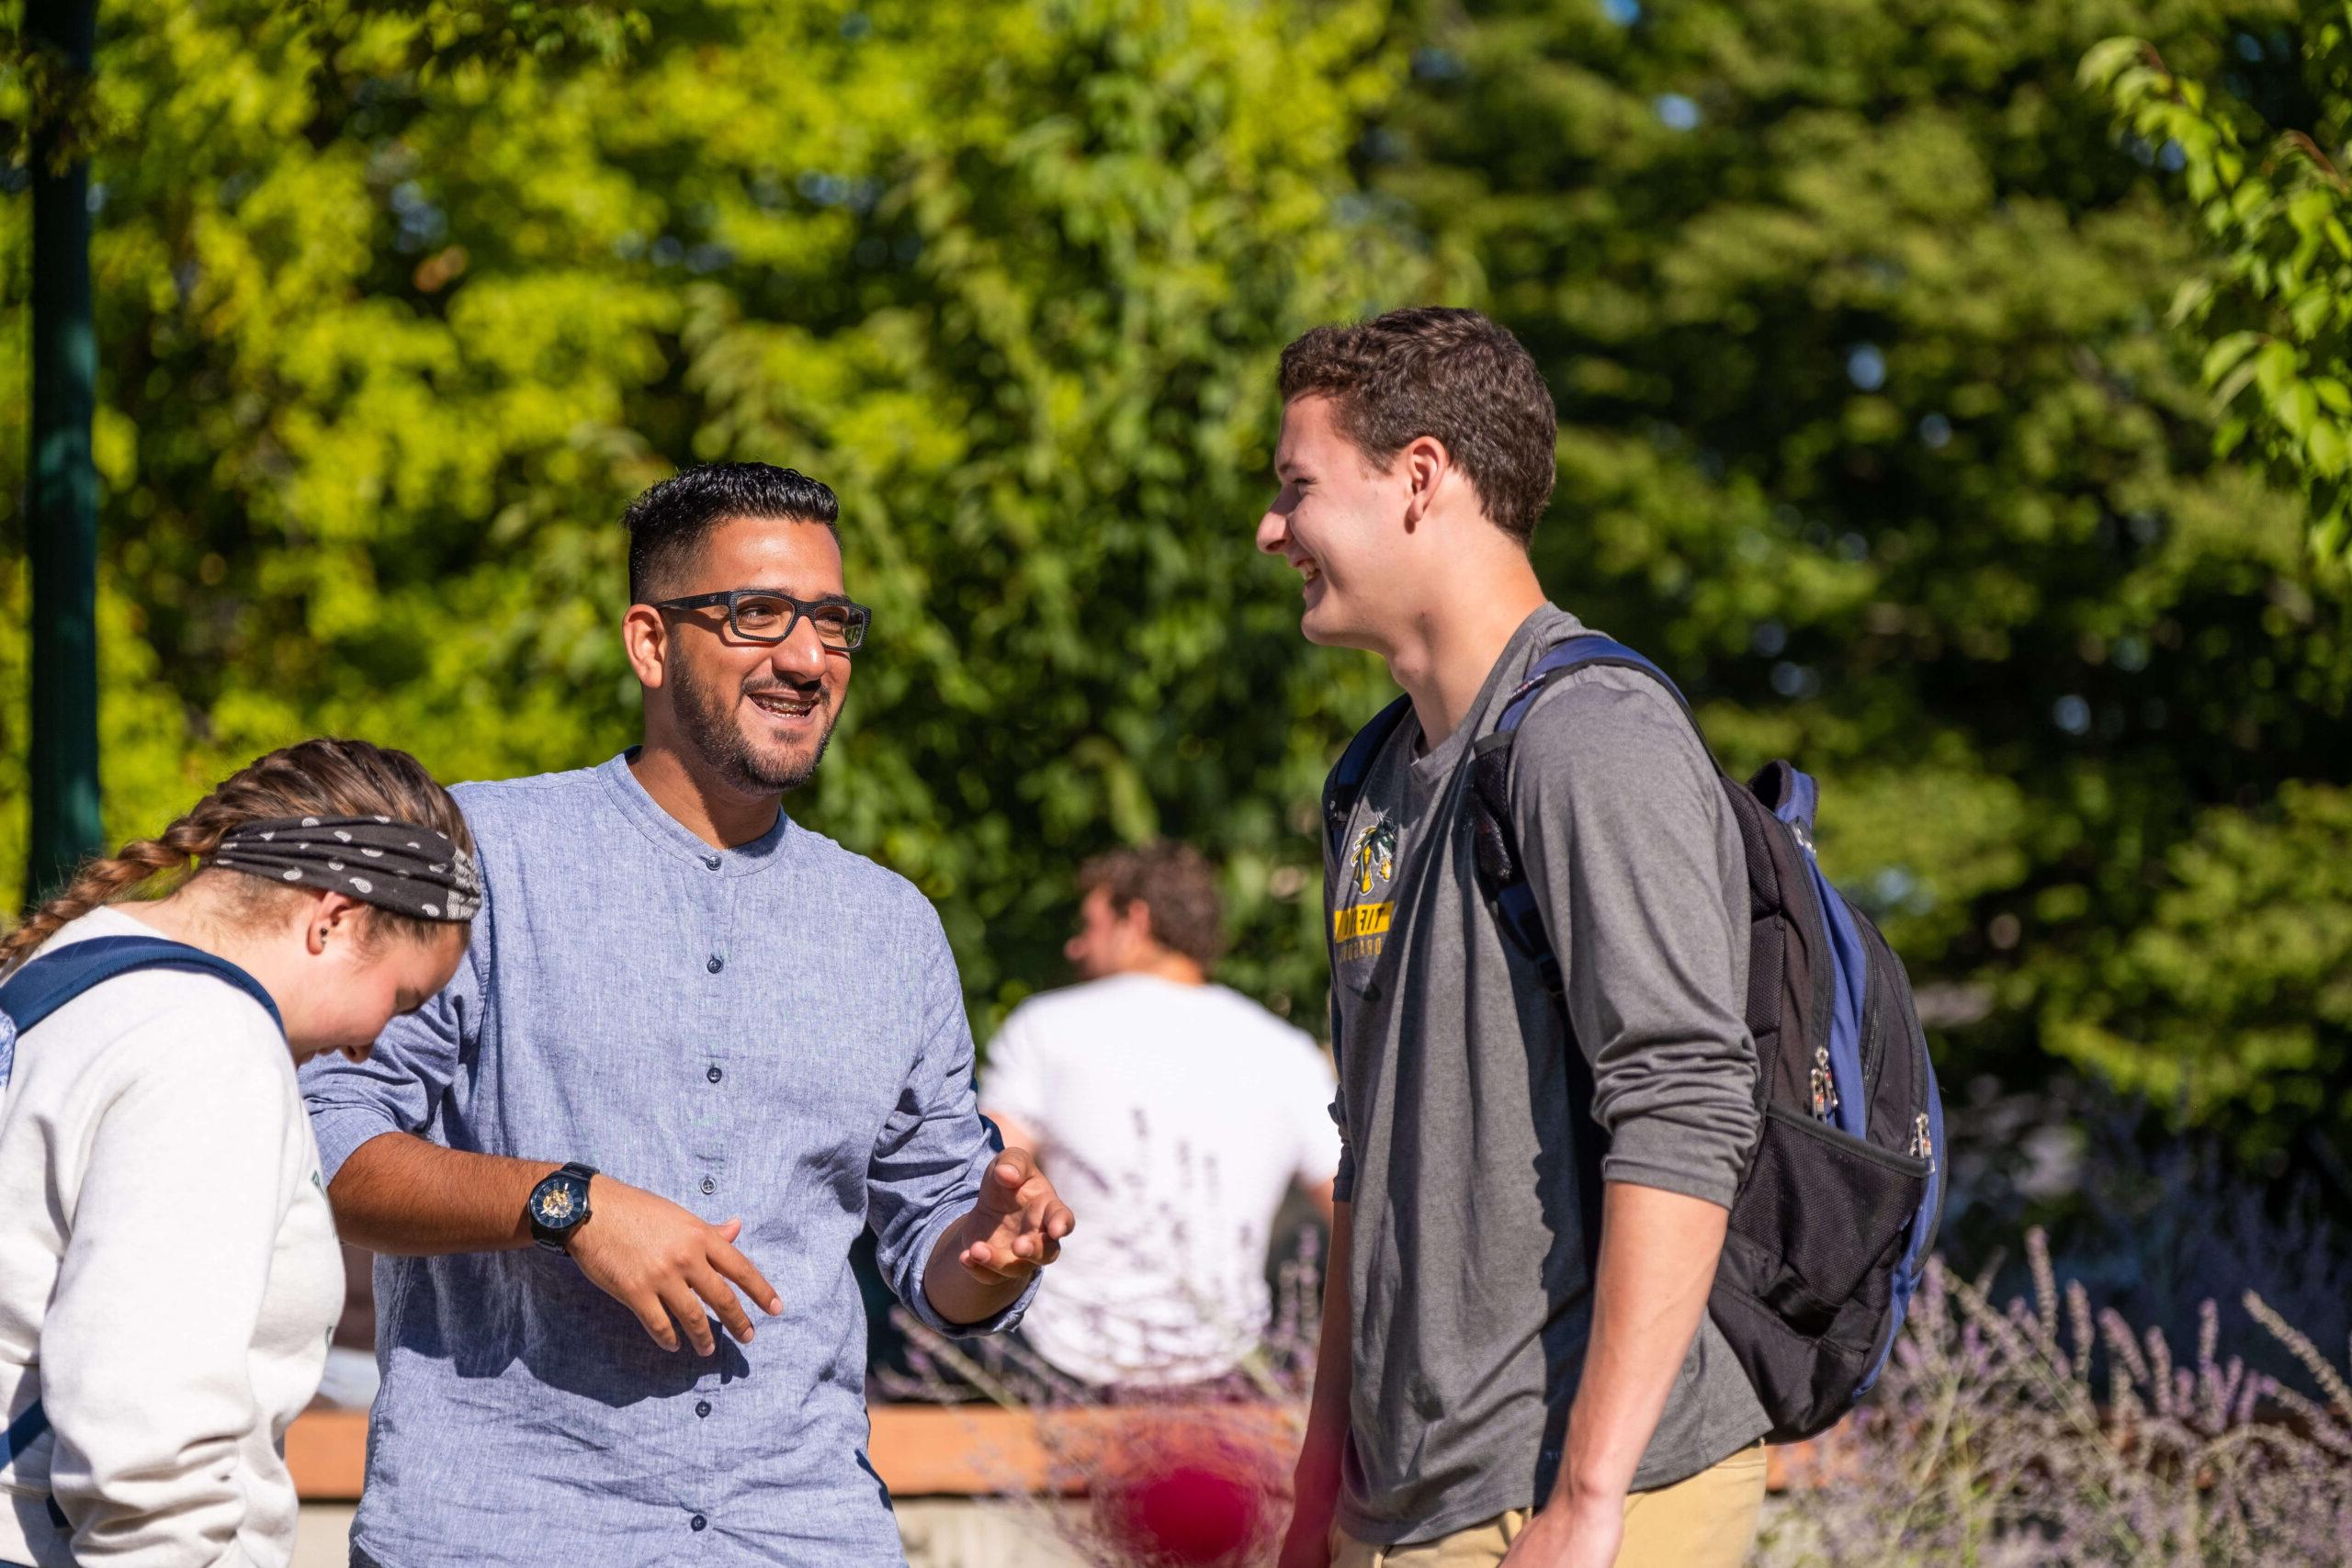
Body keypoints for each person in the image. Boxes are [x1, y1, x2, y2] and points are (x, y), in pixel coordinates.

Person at [300, 461, 1075, 1568]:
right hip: (504, 1534)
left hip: (801, 1535)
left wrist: (988, 1255)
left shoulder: (892, 927)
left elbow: (934, 1244)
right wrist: (566, 1203)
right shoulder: (484, 859)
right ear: (650, 643)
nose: (807, 659)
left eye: (832, 623)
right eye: (757, 615)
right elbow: (323, 1140)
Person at [1261, 309, 1770, 1568]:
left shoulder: (1592, 735)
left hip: (1579, 1505)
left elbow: (1687, 1101)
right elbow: (1364, 1161)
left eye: (1298, 488)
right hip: (1401, 1513)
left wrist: (1589, 1503)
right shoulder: (1370, 780)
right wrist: (1319, 1498)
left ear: (1421, 479)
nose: (1273, 531)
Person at [0, 739, 478, 1568]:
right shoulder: (211, 1044)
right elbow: (146, 1436)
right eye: (401, 998)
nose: (373, 1045)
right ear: (332, 921)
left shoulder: (66, 978)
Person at [979, 842, 1340, 1392]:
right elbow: (1358, 1211)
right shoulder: (1286, 1052)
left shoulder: (1046, 1027)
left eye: (1090, 925)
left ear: (1135, 920)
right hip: (1226, 1370)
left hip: (1059, 1366)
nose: (1076, 946)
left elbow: (986, 1171)